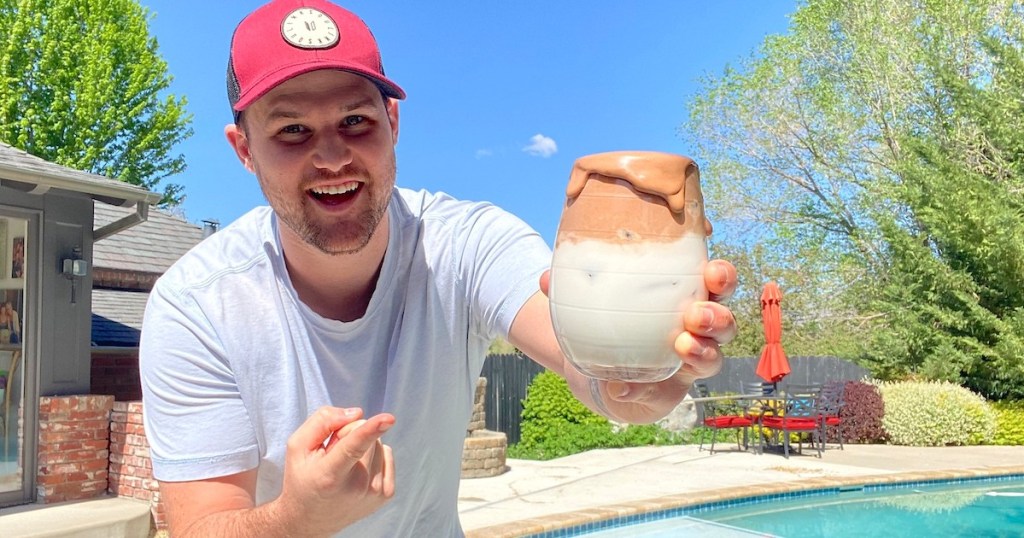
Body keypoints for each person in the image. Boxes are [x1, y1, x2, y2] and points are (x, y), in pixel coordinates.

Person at [139, 1, 738, 536]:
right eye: (292, 130)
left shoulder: (468, 243)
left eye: (356, 121)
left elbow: (586, 358)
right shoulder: (196, 304)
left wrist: (642, 377)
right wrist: (298, 520)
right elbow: (200, 527)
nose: (331, 156)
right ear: (243, 150)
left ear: (393, 124)